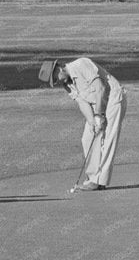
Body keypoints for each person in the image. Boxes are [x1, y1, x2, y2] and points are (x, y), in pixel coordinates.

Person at [38, 56, 126, 191]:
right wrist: (92, 121)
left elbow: (100, 88)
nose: (56, 82)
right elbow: (82, 102)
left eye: (55, 78)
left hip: (113, 98)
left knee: (108, 139)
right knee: (87, 138)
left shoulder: (82, 64)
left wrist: (98, 115)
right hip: (96, 105)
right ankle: (92, 178)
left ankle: (99, 181)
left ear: (59, 68)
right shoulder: (67, 84)